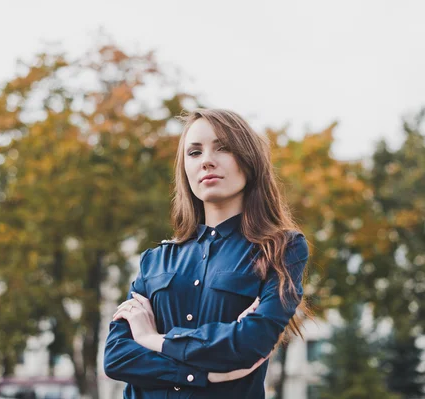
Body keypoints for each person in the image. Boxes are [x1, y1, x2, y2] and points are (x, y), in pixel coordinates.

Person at [103, 108, 310, 398]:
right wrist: (203, 374)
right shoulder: (155, 260)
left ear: (249, 161)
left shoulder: (282, 248)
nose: (207, 161)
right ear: (184, 168)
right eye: (195, 152)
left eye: (223, 148)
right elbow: (117, 357)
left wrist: (152, 339)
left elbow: (250, 343)